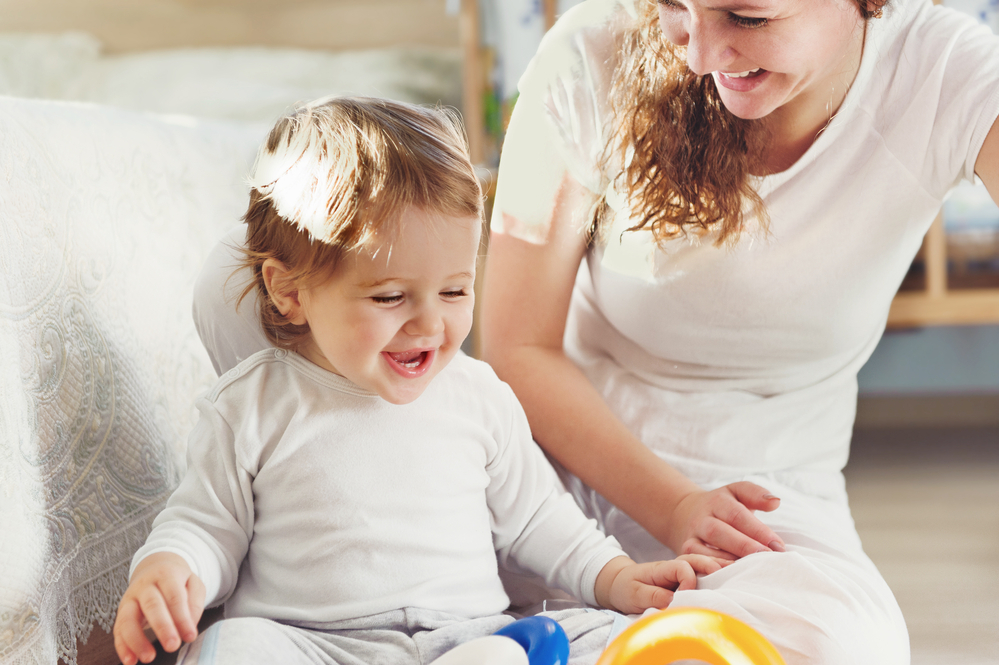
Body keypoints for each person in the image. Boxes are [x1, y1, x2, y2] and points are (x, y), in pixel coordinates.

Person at [111, 96, 728, 665]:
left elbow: (539, 518)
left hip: (461, 640)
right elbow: (205, 527)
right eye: (389, 297)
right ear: (289, 291)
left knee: (552, 643)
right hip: (313, 645)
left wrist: (615, 577)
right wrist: (171, 569)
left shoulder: (478, 397)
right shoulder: (250, 405)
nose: (430, 323)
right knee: (233, 645)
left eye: (456, 290)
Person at [478, 0, 999, 663]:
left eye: (746, 19)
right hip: (561, 479)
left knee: (850, 645)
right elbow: (516, 349)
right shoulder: (583, 54)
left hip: (764, 505)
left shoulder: (944, 70)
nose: (697, 56)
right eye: (673, 6)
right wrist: (672, 507)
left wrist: (702, 517)